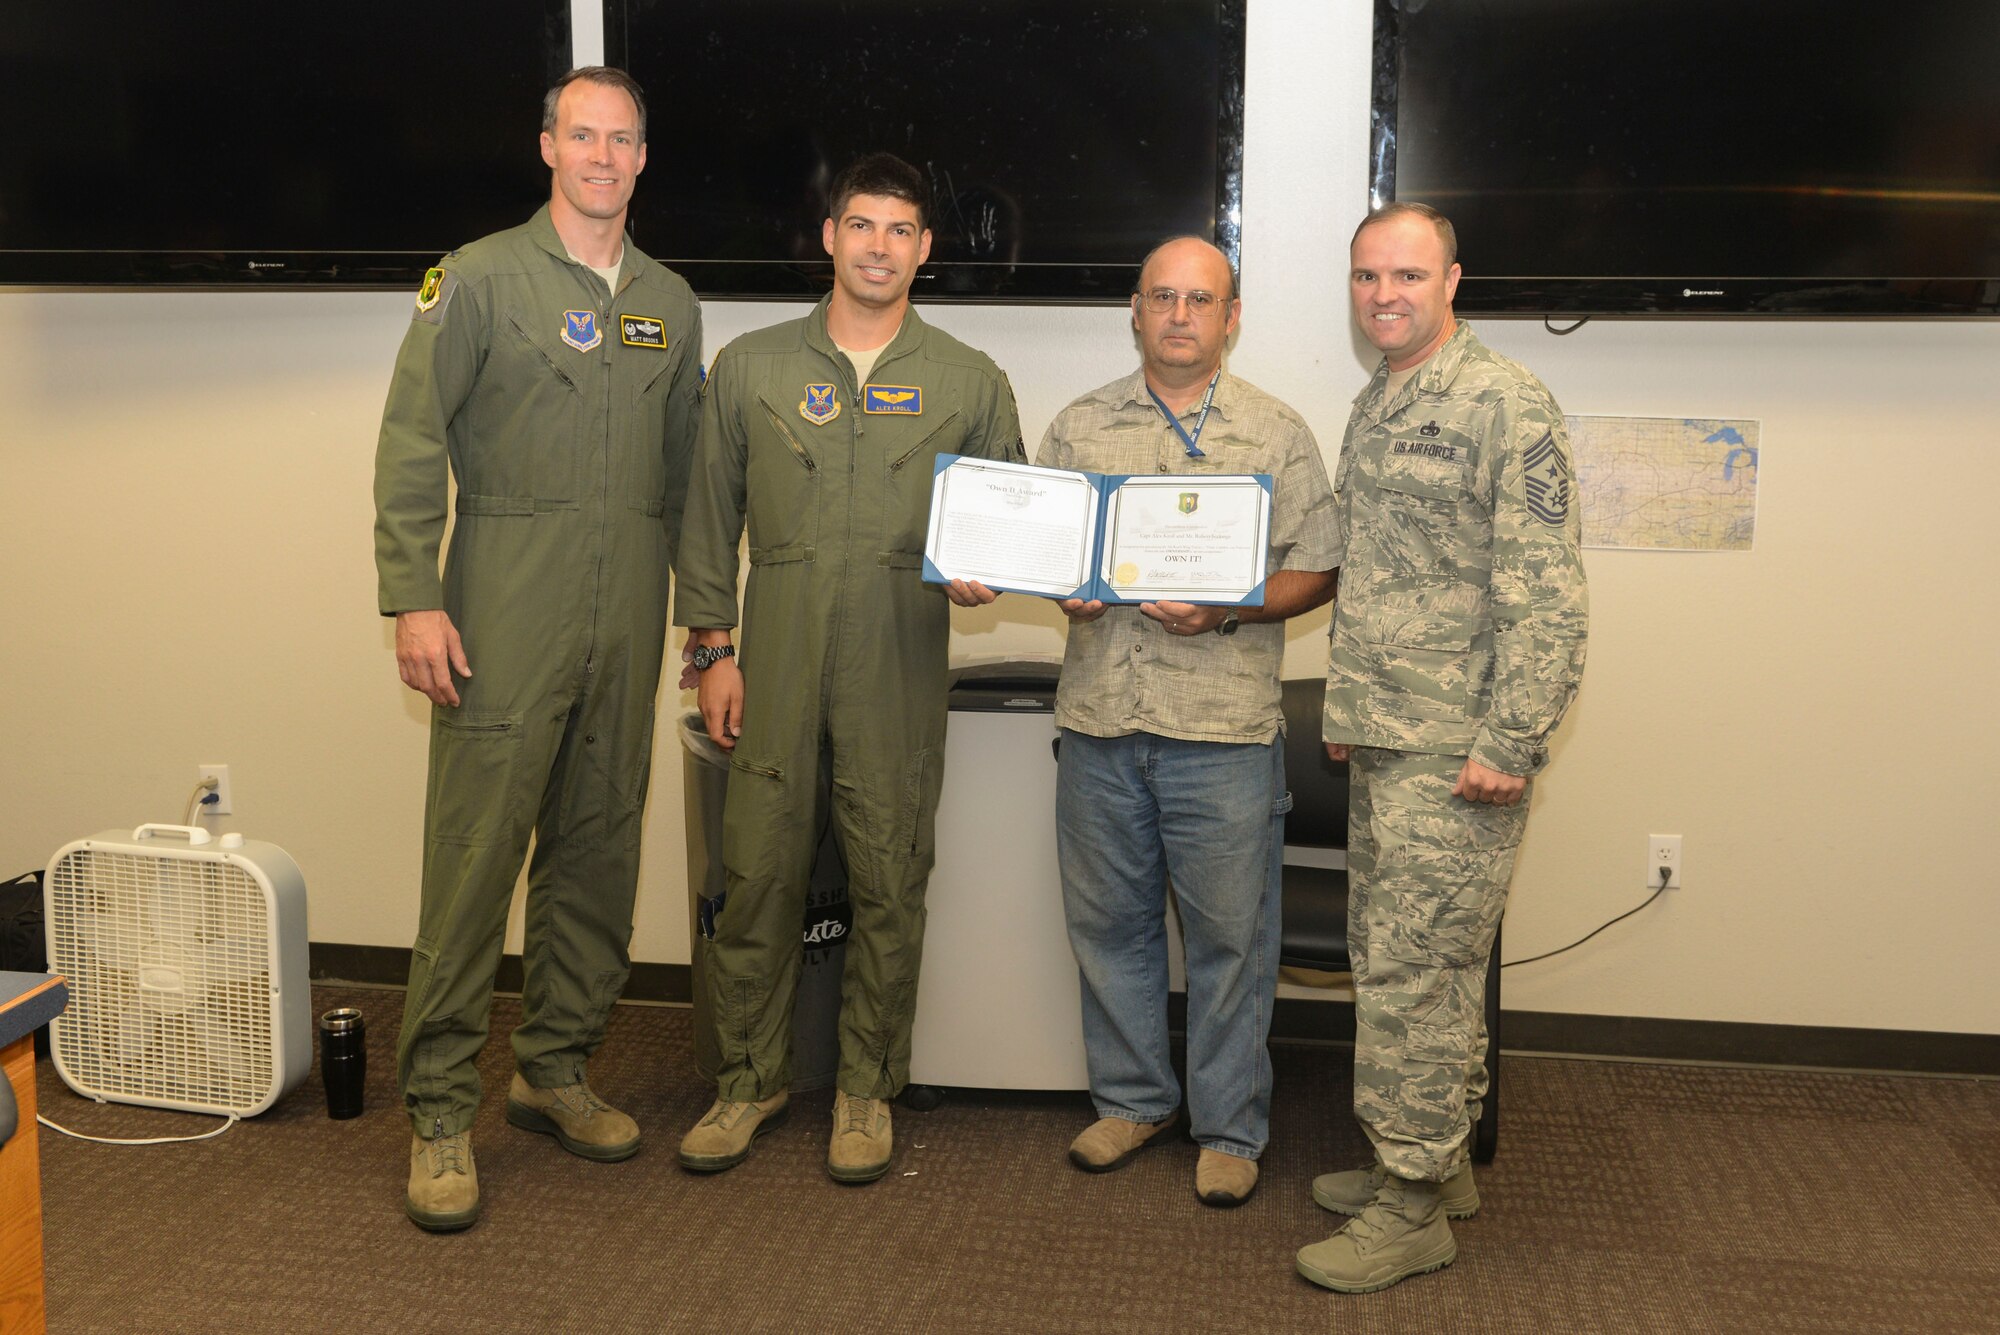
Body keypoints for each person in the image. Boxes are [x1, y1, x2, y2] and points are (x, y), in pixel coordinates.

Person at [372, 66, 703, 1232]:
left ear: (642, 158)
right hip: (502, 604)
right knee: (473, 863)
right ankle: (438, 1110)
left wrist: (699, 617)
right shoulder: (472, 281)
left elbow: (686, 478)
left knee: (598, 852)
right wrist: (413, 596)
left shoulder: (670, 299)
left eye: (622, 139)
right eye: (583, 135)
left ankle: (554, 1069)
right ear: (548, 148)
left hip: (626, 610)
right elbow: (412, 442)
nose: (603, 156)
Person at [672, 152, 1024, 1184]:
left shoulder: (969, 380)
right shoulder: (750, 367)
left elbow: (1005, 532)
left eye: (899, 231)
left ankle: (867, 1090)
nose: (878, 247)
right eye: (860, 226)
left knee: (887, 878)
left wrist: (984, 579)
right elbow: (705, 525)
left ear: (924, 249)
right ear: (829, 236)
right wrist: (711, 654)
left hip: (897, 658)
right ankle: (747, 1082)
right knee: (757, 876)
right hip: (772, 652)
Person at [1296, 203, 1588, 1291]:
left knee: (1417, 975)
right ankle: (1435, 1164)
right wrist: (1347, 718)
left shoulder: (1503, 402)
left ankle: (1410, 1204)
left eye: (1406, 275)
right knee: (1411, 962)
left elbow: (1547, 594)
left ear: (1450, 280)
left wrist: (1511, 739)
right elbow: (1378, 577)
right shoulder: (1378, 403)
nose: (1384, 294)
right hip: (1389, 738)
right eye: (1367, 275)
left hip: (1458, 748)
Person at [1037, 237, 1340, 1207]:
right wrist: (1067, 594)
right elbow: (1048, 553)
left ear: (1230, 317)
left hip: (1221, 733)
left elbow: (1320, 567)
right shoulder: (1079, 427)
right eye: (1160, 297)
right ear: (1134, 310)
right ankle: (1131, 1101)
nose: (1177, 314)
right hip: (1098, 723)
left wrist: (1231, 603)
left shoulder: (1276, 432)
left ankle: (1227, 1126)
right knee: (1108, 929)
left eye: (1197, 299)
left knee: (1228, 944)